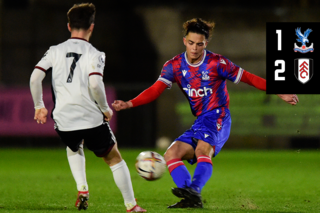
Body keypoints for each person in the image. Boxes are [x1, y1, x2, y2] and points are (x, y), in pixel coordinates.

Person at [112, 18, 299, 208]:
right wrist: (130, 103)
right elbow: (155, 89)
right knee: (171, 154)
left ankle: (194, 190)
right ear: (185, 41)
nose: (194, 48)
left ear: (205, 44)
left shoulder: (218, 63)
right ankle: (191, 198)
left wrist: (278, 90)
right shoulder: (174, 66)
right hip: (201, 120)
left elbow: (249, 78)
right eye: (191, 43)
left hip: (218, 116)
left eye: (199, 44)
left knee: (203, 150)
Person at [29, 3, 146, 212]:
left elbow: (35, 77)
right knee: (114, 158)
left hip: (63, 120)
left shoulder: (55, 50)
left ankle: (82, 189)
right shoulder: (95, 53)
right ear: (92, 27)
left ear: (68, 26)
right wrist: (104, 108)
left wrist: (39, 106)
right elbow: (95, 83)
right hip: (90, 117)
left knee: (74, 145)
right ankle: (131, 206)